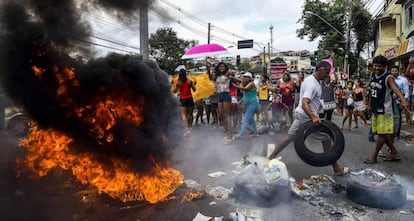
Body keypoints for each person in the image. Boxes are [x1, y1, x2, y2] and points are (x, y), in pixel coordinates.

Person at [268, 61, 348, 175]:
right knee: (325, 138)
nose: (328, 74)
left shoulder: (314, 81)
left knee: (290, 137)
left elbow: (313, 101)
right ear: (320, 70)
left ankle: (272, 156)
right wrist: (313, 117)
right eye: (327, 71)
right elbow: (306, 102)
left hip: (302, 114)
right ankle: (336, 168)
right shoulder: (312, 84)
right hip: (306, 115)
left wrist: (318, 113)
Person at [364, 55, 409, 164]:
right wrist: (369, 104)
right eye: (375, 66)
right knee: (380, 133)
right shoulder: (372, 75)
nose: (377, 68)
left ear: (385, 67)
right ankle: (394, 152)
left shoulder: (388, 78)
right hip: (375, 109)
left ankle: (374, 156)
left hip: (385, 111)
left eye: (380, 66)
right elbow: (371, 89)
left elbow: (395, 89)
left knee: (382, 134)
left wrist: (403, 100)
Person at [232, 72, 259, 139]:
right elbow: (245, 95)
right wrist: (240, 101)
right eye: (243, 77)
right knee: (251, 119)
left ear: (249, 78)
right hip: (248, 103)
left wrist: (235, 86)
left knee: (246, 118)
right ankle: (256, 133)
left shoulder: (251, 84)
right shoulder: (245, 83)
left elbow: (245, 89)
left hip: (253, 103)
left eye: (246, 77)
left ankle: (241, 134)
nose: (244, 78)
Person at [214, 62, 233, 143]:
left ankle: (229, 134)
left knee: (226, 114)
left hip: (226, 94)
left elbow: (232, 72)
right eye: (220, 66)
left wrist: (230, 72)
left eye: (223, 66)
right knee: (221, 115)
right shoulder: (217, 76)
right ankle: (227, 130)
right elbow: (212, 80)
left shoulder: (227, 73)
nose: (222, 67)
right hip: (220, 95)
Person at [173, 68, 196, 136]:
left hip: (183, 99)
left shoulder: (178, 82)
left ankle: (186, 129)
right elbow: (194, 89)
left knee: (183, 115)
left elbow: (174, 91)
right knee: (190, 114)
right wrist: (193, 84)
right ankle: (190, 127)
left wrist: (176, 87)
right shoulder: (189, 81)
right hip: (190, 98)